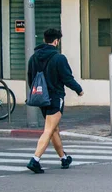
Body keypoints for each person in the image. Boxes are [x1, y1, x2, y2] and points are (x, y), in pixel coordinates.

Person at [26, 28, 84, 174]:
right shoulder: (59, 58)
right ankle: (35, 160)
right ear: (56, 41)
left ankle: (63, 158)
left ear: (45, 39)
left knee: (53, 129)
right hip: (55, 97)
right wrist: (79, 89)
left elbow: (30, 78)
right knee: (49, 130)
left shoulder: (33, 58)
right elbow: (67, 78)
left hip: (41, 98)